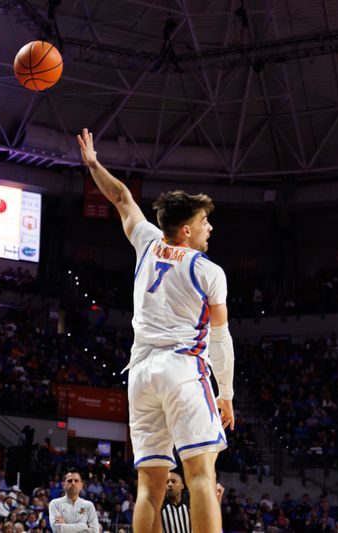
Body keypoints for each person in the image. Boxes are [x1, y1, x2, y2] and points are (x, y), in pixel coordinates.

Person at [77, 128, 235, 533]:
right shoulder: (208, 270)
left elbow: (121, 198)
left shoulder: (147, 241)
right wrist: (226, 393)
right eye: (204, 222)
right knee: (201, 475)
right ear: (185, 229)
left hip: (140, 373)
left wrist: (94, 164)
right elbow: (220, 337)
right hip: (181, 369)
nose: (209, 229)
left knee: (149, 485)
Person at [48, 469, 99, 533]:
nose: (73, 483)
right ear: (63, 485)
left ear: (81, 485)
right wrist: (84, 526)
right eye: (70, 481)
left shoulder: (88, 505)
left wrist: (65, 527)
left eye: (76, 481)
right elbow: (58, 529)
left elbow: (95, 530)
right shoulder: (55, 504)